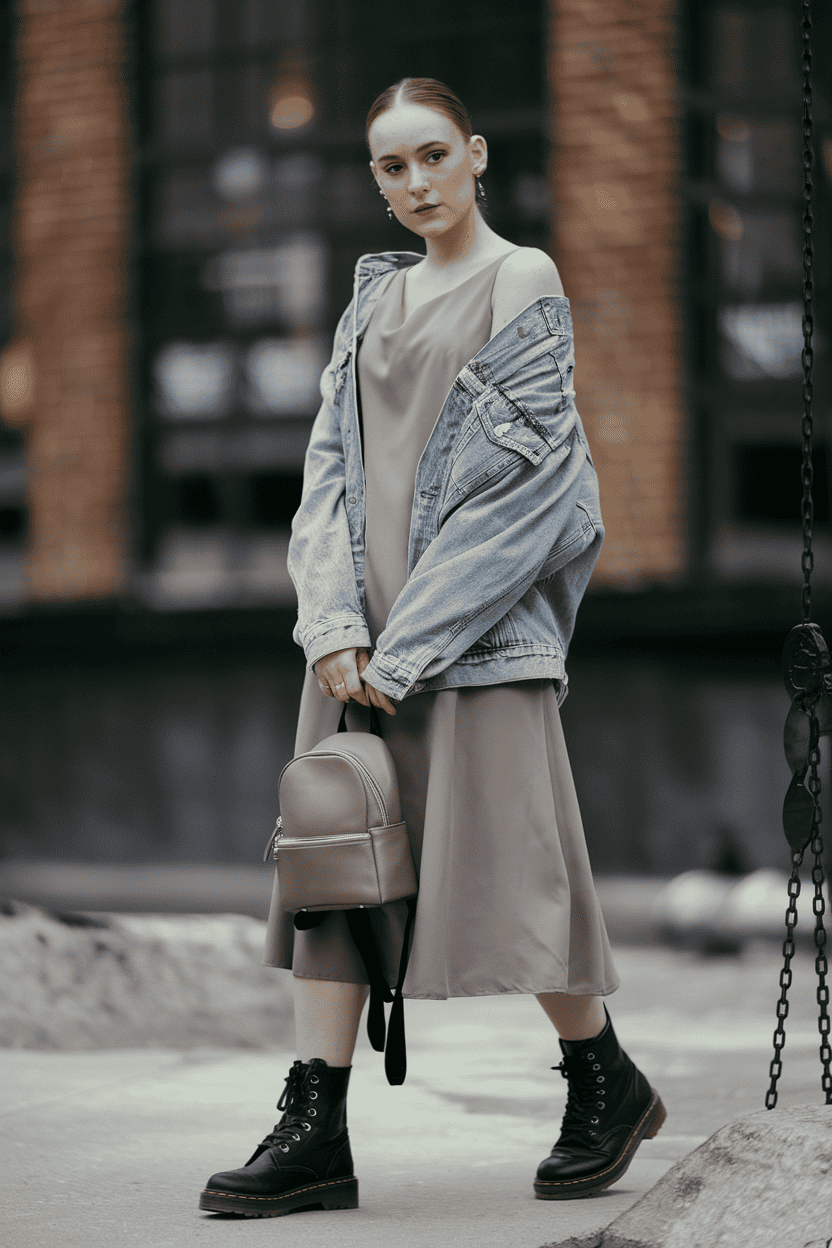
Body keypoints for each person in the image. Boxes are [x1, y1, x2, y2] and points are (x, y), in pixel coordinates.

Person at [199, 77, 664, 1219]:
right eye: (390, 167)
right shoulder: (372, 303)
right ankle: (315, 1126)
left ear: (475, 155)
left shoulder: (523, 279)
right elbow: (325, 476)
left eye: (431, 157)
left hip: (473, 644)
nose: (414, 184)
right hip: (355, 652)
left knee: (514, 869)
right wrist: (335, 625)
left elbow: (529, 495)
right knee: (332, 873)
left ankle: (601, 1080)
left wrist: (404, 652)